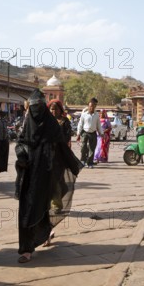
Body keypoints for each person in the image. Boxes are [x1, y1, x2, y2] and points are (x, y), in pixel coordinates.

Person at [15, 89, 82, 264]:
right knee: (27, 210)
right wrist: (21, 154)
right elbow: (21, 142)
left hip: (46, 174)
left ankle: (43, 234)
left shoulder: (52, 125)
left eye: (39, 107)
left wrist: (70, 165)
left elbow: (62, 148)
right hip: (28, 174)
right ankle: (26, 248)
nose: (36, 111)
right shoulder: (27, 123)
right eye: (33, 107)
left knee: (42, 208)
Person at [76, 97, 102, 169]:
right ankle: (83, 160)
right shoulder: (84, 114)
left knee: (92, 148)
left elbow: (98, 125)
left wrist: (101, 133)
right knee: (83, 147)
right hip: (85, 132)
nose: (91, 108)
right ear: (88, 106)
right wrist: (78, 134)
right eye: (90, 106)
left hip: (93, 133)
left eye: (93, 106)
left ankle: (90, 163)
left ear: (95, 106)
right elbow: (80, 124)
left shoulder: (96, 115)